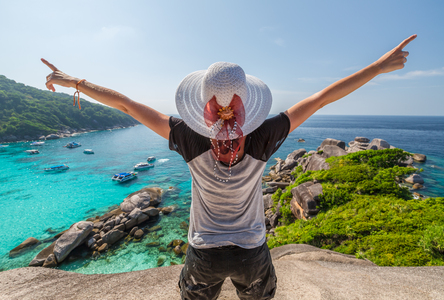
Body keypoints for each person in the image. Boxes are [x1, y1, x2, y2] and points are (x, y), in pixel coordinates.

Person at [42, 34, 416, 300]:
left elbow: (125, 105)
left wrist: (71, 80)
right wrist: (378, 67)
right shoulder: (263, 137)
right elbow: (321, 99)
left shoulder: (188, 137)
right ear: (248, 106)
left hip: (203, 252)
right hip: (252, 251)